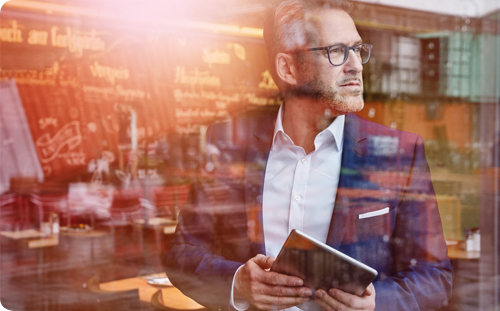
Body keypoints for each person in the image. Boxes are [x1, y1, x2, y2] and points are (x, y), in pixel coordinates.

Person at [164, 0, 453, 310]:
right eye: (337, 51)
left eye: (357, 49)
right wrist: (238, 283)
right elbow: (182, 253)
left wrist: (376, 305)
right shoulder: (228, 144)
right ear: (288, 68)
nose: (355, 64)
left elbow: (435, 276)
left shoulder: (400, 153)